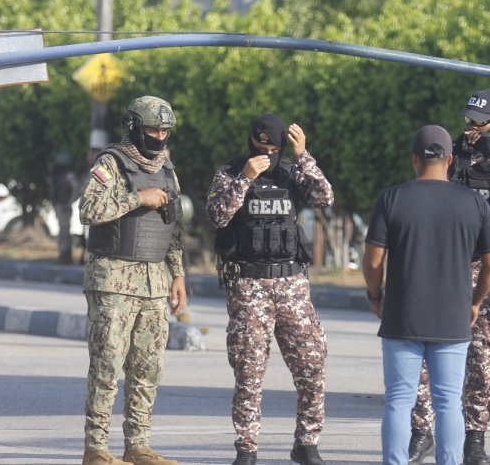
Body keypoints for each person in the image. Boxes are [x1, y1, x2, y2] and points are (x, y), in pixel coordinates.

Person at [408, 90, 490, 465]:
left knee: (480, 358)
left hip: (485, 271)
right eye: (467, 121)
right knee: (424, 351)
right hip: (442, 266)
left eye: (478, 123)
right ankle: (421, 432)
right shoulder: (449, 156)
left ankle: (475, 441)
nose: (470, 129)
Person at [363, 125, 490, 465]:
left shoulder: (392, 198)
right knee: (448, 401)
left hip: (402, 316)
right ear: (450, 159)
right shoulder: (473, 202)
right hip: (452, 317)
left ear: (414, 159)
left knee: (398, 399)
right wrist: (474, 302)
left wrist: (375, 295)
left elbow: (373, 259)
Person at [206, 114, 335, 465]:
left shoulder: (293, 172)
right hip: (249, 284)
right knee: (249, 371)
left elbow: (324, 197)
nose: (267, 155)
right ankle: (246, 448)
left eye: (275, 149)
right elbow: (217, 215)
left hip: (292, 283)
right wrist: (245, 179)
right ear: (251, 141)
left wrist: (303, 155)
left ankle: (306, 443)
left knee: (312, 365)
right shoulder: (231, 171)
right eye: (261, 148)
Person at [78, 96, 188, 465]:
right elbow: (89, 210)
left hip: (155, 281)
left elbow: (174, 228)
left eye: (165, 131)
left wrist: (178, 275)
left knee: (148, 367)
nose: (159, 136)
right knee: (108, 365)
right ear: (134, 128)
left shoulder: (167, 169)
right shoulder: (111, 163)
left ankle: (138, 445)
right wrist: (136, 198)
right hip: (113, 278)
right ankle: (97, 448)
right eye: (153, 130)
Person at [49, 151, 81, 264]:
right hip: (59, 205)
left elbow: (76, 189)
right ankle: (63, 253)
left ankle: (65, 254)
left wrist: (69, 202)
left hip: (64, 206)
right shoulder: (58, 175)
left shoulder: (68, 175)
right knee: (62, 230)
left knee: (64, 231)